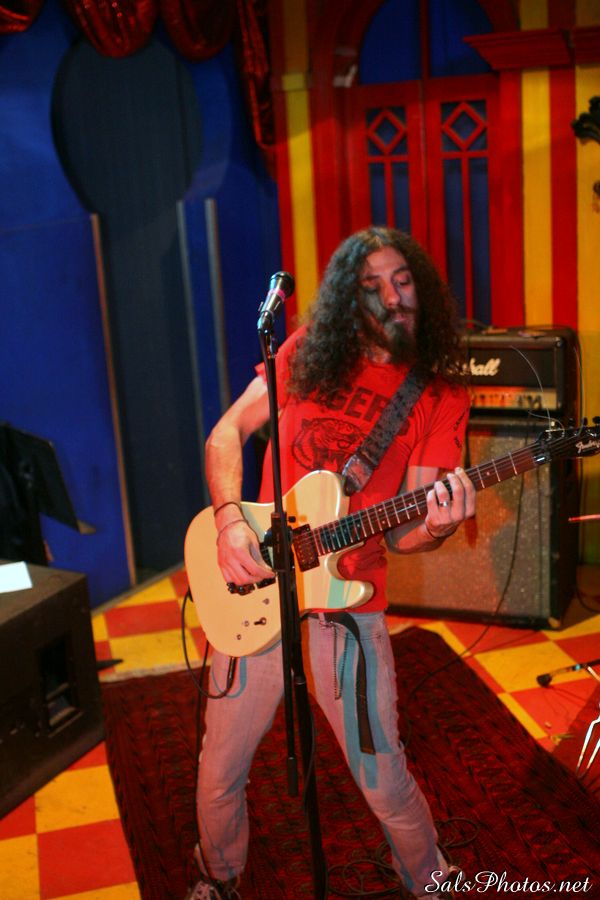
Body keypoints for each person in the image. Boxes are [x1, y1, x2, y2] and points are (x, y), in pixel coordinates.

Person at [188, 226, 476, 899]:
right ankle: (217, 877)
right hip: (257, 587)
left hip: (347, 609)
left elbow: (405, 535)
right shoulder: (303, 354)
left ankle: (431, 881)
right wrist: (229, 522)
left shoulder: (437, 393)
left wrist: (436, 526)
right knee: (219, 768)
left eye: (403, 281)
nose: (393, 298)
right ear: (349, 299)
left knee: (382, 775)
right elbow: (226, 433)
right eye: (373, 287)